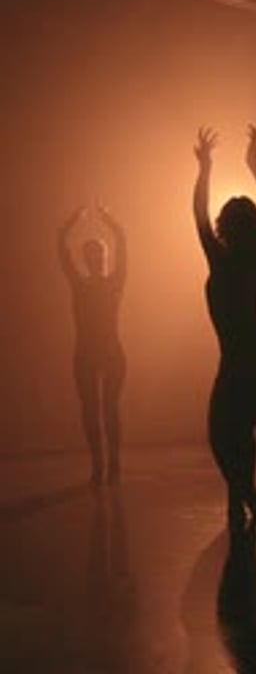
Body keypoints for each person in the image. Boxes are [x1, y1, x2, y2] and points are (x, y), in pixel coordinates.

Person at [193, 125, 256, 530]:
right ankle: (242, 498)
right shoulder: (236, 258)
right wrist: (246, 165)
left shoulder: (235, 259)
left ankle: (247, 499)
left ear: (228, 227)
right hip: (247, 357)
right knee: (230, 434)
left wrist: (206, 168)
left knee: (228, 433)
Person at [58, 205, 127, 485]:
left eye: (97, 255)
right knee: (91, 408)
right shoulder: (81, 284)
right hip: (88, 352)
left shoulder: (113, 282)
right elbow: (63, 252)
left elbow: (122, 246)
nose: (94, 260)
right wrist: (71, 224)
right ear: (87, 259)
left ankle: (111, 463)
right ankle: (100, 463)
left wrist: (109, 222)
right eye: (91, 255)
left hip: (108, 351)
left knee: (108, 408)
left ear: (103, 258)